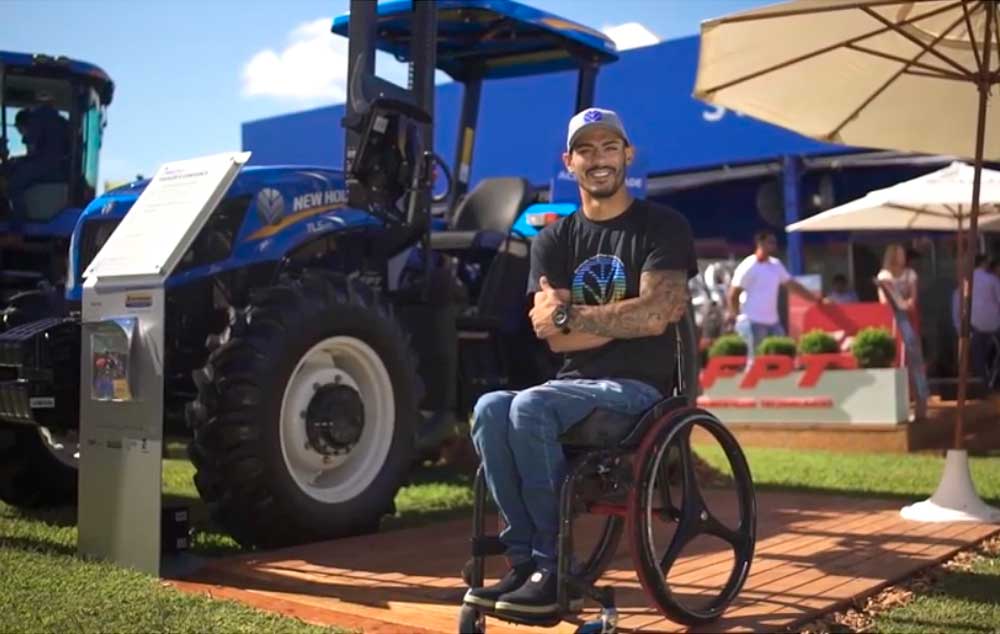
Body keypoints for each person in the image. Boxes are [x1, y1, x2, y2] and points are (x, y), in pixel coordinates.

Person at [464, 107, 696, 619]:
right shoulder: (554, 239)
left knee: (530, 407)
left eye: (609, 147)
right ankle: (525, 562)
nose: (599, 159)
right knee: (488, 408)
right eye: (586, 150)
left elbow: (657, 315)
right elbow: (552, 337)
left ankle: (554, 568)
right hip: (571, 387)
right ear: (569, 162)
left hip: (640, 391)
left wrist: (573, 313)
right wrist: (609, 317)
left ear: (627, 154)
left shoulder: (663, 227)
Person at [726, 230, 823, 360]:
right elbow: (733, 294)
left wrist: (815, 299)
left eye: (774, 242)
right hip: (752, 322)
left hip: (773, 322)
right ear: (760, 243)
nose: (773, 245)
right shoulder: (748, 266)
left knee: (784, 356)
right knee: (754, 360)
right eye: (770, 242)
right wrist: (738, 317)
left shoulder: (775, 265)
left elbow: (792, 285)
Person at [0, 103, 71, 236]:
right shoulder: (57, 121)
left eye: (21, 131)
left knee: (14, 185)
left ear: (23, 125)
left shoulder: (36, 121)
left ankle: (16, 227)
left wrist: (17, 161)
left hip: (46, 168)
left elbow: (33, 152)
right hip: (57, 167)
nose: (22, 137)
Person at [951, 254, 1000, 386]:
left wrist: (960, 328)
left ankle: (982, 384)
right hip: (994, 326)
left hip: (974, 327)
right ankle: (993, 382)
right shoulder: (992, 279)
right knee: (994, 356)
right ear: (983, 263)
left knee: (979, 358)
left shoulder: (966, 282)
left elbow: (958, 306)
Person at [876, 243, 918, 311]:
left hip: (908, 311)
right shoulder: (883, 276)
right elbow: (883, 300)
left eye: (903, 254)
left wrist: (907, 304)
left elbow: (913, 297)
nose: (903, 257)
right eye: (899, 254)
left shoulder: (910, 274)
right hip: (890, 311)